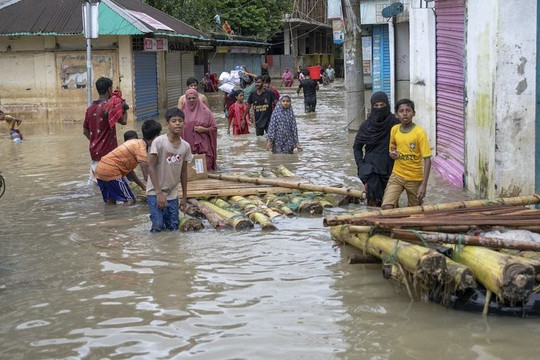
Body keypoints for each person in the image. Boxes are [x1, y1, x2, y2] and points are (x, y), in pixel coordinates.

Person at [146, 108, 193, 232]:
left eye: (180, 121)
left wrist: (184, 197)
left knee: (173, 227)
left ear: (184, 123)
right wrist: (159, 193)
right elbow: (150, 167)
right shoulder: (159, 142)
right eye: (174, 121)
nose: (177, 123)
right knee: (158, 225)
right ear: (167, 124)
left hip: (172, 193)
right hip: (155, 192)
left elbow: (183, 172)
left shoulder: (186, 146)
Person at [94, 119, 161, 205]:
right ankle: (126, 218)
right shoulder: (141, 150)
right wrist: (158, 191)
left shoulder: (134, 143)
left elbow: (129, 170)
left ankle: (111, 217)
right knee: (130, 200)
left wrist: (142, 186)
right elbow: (146, 176)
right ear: (156, 137)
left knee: (110, 201)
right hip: (111, 171)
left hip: (100, 169)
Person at [381, 98, 432, 209]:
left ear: (413, 113)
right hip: (397, 175)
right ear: (396, 114)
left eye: (408, 110)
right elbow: (392, 149)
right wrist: (392, 153)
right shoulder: (394, 130)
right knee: (387, 206)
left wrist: (424, 185)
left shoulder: (419, 133)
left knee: (414, 212)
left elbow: (427, 159)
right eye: (401, 111)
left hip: (414, 178)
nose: (405, 114)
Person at [353, 92, 400, 207]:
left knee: (391, 204)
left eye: (382, 105)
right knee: (373, 204)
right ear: (372, 107)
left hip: (391, 169)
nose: (379, 108)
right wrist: (361, 165)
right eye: (376, 106)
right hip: (371, 169)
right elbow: (357, 147)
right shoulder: (366, 125)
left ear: (387, 105)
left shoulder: (396, 124)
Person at [83, 77, 127, 184]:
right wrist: (124, 108)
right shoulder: (109, 106)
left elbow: (85, 131)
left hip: (94, 153)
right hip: (109, 154)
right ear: (109, 90)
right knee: (112, 187)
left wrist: (96, 141)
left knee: (97, 187)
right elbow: (124, 121)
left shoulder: (90, 109)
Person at [181, 89, 218, 171]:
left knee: (204, 169)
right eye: (189, 98)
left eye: (194, 98)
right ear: (186, 99)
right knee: (191, 171)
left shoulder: (206, 112)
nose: (191, 100)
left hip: (204, 147)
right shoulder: (181, 113)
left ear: (197, 98)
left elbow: (214, 128)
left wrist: (205, 130)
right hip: (188, 146)